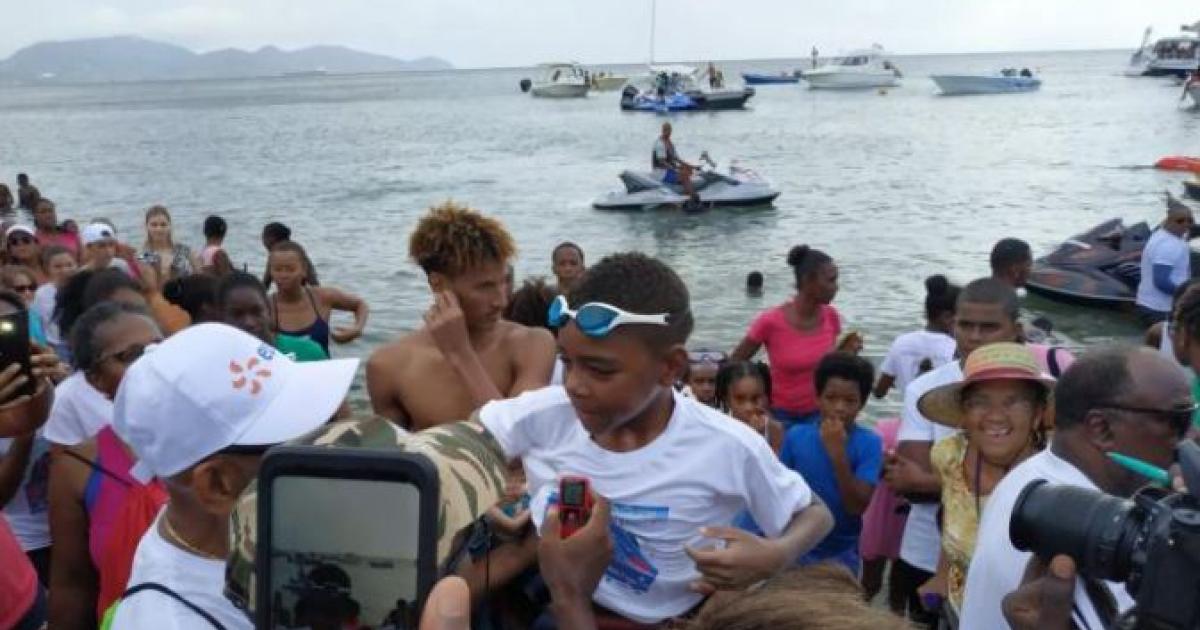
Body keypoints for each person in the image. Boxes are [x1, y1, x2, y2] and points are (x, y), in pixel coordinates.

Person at [475, 252, 834, 625]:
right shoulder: (546, 415)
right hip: (554, 599)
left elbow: (814, 513)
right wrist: (486, 494)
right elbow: (472, 437)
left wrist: (775, 555)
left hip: (664, 617)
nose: (575, 385)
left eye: (599, 369)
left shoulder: (724, 445)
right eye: (566, 361)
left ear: (670, 367)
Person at [108, 323, 357, 629]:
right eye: (305, 440)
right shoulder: (171, 620)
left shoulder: (235, 535)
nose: (333, 446)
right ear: (217, 485)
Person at [959, 346, 1189, 630]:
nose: (1188, 439)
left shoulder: (1037, 480)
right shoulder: (1087, 536)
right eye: (1178, 421)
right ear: (1101, 428)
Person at [883, 277, 1025, 626]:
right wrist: (1001, 483)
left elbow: (922, 478)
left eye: (988, 327)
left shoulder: (1036, 389)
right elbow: (909, 483)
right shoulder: (925, 389)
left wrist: (937, 481)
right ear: (952, 324)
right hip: (926, 550)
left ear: (1015, 330)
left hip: (1007, 558)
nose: (974, 336)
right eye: (965, 325)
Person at [367, 202, 555, 430]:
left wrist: (460, 355)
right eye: (484, 287)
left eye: (504, 281)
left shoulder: (532, 344)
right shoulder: (389, 366)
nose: (502, 301)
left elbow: (521, 443)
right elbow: (397, 460)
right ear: (438, 283)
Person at [46, 302, 164, 629]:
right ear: (96, 380)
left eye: (159, 347)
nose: (152, 362)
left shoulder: (221, 441)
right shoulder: (78, 466)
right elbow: (72, 585)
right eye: (131, 356)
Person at [915, 342, 1053, 612]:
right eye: (980, 402)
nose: (995, 417)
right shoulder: (949, 455)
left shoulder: (1053, 480)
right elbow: (954, 511)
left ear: (1037, 414)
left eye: (1013, 402)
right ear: (964, 415)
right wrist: (942, 575)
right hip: (959, 609)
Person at [776, 352, 881, 575]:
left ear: (862, 403)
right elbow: (780, 493)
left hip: (842, 551)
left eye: (850, 401)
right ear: (817, 398)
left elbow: (856, 506)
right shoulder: (796, 436)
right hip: (797, 544)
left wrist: (838, 454)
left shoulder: (870, 443)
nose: (840, 408)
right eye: (831, 398)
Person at [731, 245, 841, 426]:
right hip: (780, 417)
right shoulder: (770, 321)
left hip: (821, 415)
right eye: (831, 280)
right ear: (808, 281)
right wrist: (755, 402)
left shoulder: (831, 316)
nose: (836, 287)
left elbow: (830, 368)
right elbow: (735, 363)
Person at [42, 269, 149, 447]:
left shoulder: (167, 378)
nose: (134, 319)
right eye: (115, 310)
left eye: (140, 310)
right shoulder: (68, 400)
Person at [268, 240, 368, 357]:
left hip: (323, 371)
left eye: (290, 269)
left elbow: (360, 305)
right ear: (271, 271)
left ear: (304, 270)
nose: (284, 275)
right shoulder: (266, 306)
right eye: (278, 269)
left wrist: (357, 329)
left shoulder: (322, 297)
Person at [873, 275, 958, 399]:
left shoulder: (901, 342)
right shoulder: (957, 348)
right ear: (947, 317)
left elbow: (879, 392)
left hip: (908, 416)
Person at [218, 271, 326, 362]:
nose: (249, 322)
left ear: (268, 310)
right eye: (237, 314)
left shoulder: (308, 353)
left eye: (256, 312)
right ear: (220, 318)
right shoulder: (215, 361)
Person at [1136, 200, 1195, 326]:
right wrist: (1189, 295)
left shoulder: (1159, 235)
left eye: (1190, 220)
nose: (1186, 224)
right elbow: (1161, 281)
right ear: (1168, 220)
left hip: (1149, 304)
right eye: (1180, 221)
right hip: (1161, 309)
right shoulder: (1169, 245)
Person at [714, 360, 782, 452]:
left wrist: (758, 436)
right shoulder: (718, 428)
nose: (748, 407)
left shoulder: (773, 430)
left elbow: (773, 465)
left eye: (755, 398)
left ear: (766, 397)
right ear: (726, 399)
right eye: (739, 399)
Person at [32, 245, 78, 357]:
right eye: (58, 266)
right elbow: (39, 323)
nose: (65, 270)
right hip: (57, 346)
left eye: (69, 265)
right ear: (48, 269)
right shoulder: (41, 294)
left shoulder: (83, 287)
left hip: (81, 343)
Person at [140, 205, 199, 285]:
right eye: (154, 225)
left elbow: (199, 276)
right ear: (147, 226)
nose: (159, 229)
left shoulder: (184, 250)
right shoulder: (144, 256)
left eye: (163, 225)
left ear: (169, 226)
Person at [0, 266, 49, 345]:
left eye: (31, 287)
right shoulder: (4, 317)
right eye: (20, 289)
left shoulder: (35, 314)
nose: (27, 293)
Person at [652, 122, 695, 198]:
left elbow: (677, 158)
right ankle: (691, 197)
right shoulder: (660, 144)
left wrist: (690, 166)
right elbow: (662, 162)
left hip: (668, 170)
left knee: (688, 170)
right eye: (666, 131)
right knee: (684, 175)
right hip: (661, 173)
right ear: (663, 131)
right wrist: (676, 169)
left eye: (669, 131)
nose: (669, 133)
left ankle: (685, 189)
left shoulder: (669, 142)